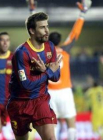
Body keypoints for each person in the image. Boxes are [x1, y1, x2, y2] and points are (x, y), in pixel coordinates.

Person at [7, 12, 62, 140]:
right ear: (32, 30)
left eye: (47, 26)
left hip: (40, 100)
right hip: (19, 103)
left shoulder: (50, 47)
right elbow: (26, 85)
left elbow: (56, 76)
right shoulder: (22, 53)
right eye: (42, 27)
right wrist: (47, 72)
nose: (47, 30)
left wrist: (46, 70)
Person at [48, 0, 92, 139]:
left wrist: (32, 12)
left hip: (49, 92)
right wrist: (82, 14)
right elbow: (74, 34)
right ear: (60, 41)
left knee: (52, 124)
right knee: (70, 123)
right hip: (65, 90)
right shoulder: (65, 50)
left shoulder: (43, 52)